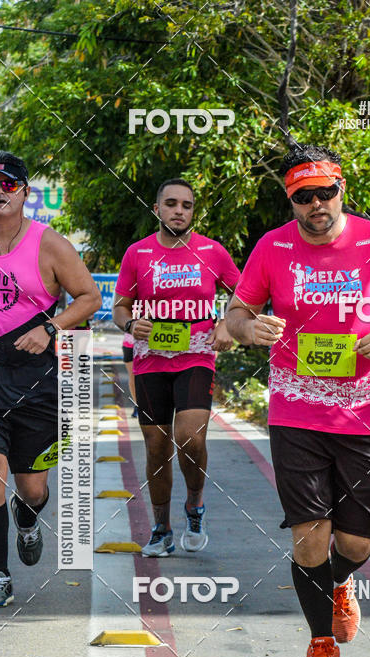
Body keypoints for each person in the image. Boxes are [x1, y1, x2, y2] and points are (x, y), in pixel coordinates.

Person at [226, 144, 370, 657]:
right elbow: (236, 314)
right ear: (291, 200)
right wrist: (250, 328)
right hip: (295, 408)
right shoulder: (272, 247)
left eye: (325, 192)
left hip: (365, 412)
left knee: (358, 541)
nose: (316, 204)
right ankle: (321, 642)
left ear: (342, 190)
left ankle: (341, 580)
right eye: (304, 197)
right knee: (309, 535)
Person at [0, 150, 101, 607]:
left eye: (8, 185)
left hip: (37, 382)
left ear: (25, 192)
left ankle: (28, 516)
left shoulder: (49, 244)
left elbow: (89, 297)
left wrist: (50, 328)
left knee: (31, 488)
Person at [113, 178, 240, 556]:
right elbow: (120, 306)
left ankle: (195, 504)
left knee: (189, 438)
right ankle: (161, 528)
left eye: (186, 205)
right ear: (157, 209)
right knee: (156, 447)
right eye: (171, 204)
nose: (179, 211)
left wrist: (225, 323)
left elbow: (245, 294)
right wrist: (130, 324)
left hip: (197, 356)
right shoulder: (137, 253)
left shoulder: (212, 252)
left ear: (193, 211)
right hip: (150, 360)